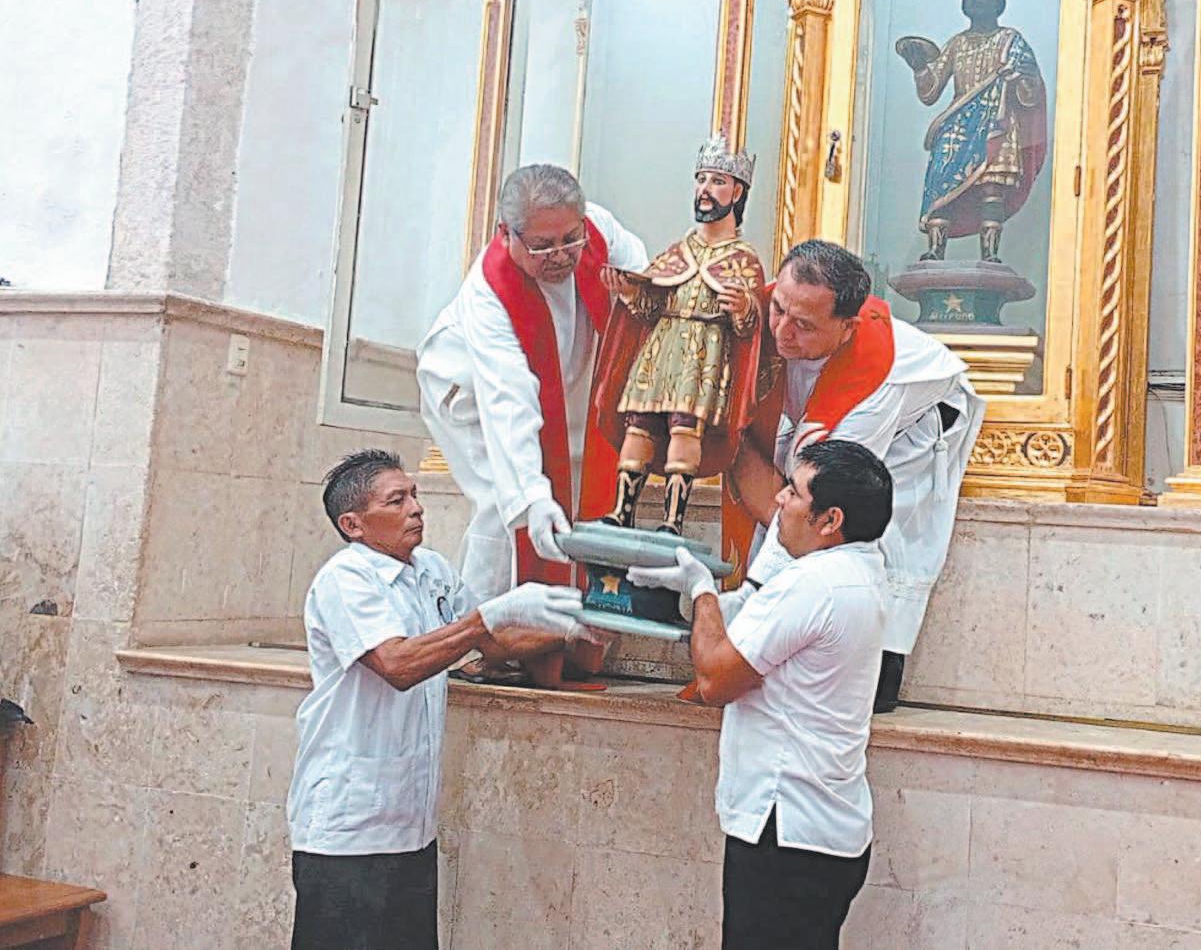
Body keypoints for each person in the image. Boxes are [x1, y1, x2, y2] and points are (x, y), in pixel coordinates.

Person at [287, 450, 591, 950]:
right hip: (348, 828)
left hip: (412, 828)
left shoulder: (430, 569)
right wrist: (483, 618)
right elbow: (397, 664)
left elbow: (493, 642)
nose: (416, 508)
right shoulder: (345, 580)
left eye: (414, 494)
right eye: (396, 500)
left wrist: (577, 627)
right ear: (353, 524)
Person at [629, 440, 892, 950]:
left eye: (793, 492)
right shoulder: (861, 569)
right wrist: (703, 599)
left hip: (786, 831)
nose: (779, 500)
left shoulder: (814, 582)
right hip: (826, 828)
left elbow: (715, 681)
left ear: (830, 519)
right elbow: (764, 629)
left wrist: (702, 591)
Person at [725, 239, 985, 713]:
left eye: (803, 325)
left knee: (864, 528)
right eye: (779, 309)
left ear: (846, 328)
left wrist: (746, 612)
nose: (781, 332)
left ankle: (874, 668)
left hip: (917, 431)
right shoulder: (762, 309)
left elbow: (810, 507)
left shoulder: (873, 389)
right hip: (817, 416)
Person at [416, 164, 647, 683]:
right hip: (469, 391)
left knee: (575, 497)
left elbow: (647, 281)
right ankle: (470, 641)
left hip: (560, 386)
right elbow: (508, 401)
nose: (562, 255)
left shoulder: (599, 231)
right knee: (504, 505)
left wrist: (639, 293)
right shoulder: (490, 293)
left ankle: (555, 640)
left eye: (571, 239)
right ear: (507, 234)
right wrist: (531, 496)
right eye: (543, 246)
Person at [594, 135, 767, 535]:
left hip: (705, 355)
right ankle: (622, 511)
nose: (705, 189)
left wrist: (744, 308)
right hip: (661, 349)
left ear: (737, 192)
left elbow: (751, 329)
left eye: (717, 181)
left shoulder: (743, 260)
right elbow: (650, 308)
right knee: (639, 425)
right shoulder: (676, 252)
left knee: (685, 427)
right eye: (701, 179)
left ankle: (673, 519)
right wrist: (631, 293)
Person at [895, 0, 1047, 263]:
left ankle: (989, 255)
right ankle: (935, 251)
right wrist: (919, 66)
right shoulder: (957, 44)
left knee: (992, 189)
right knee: (942, 184)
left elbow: (1030, 94)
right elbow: (930, 92)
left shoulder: (1011, 41)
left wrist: (1020, 78)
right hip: (958, 126)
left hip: (997, 125)